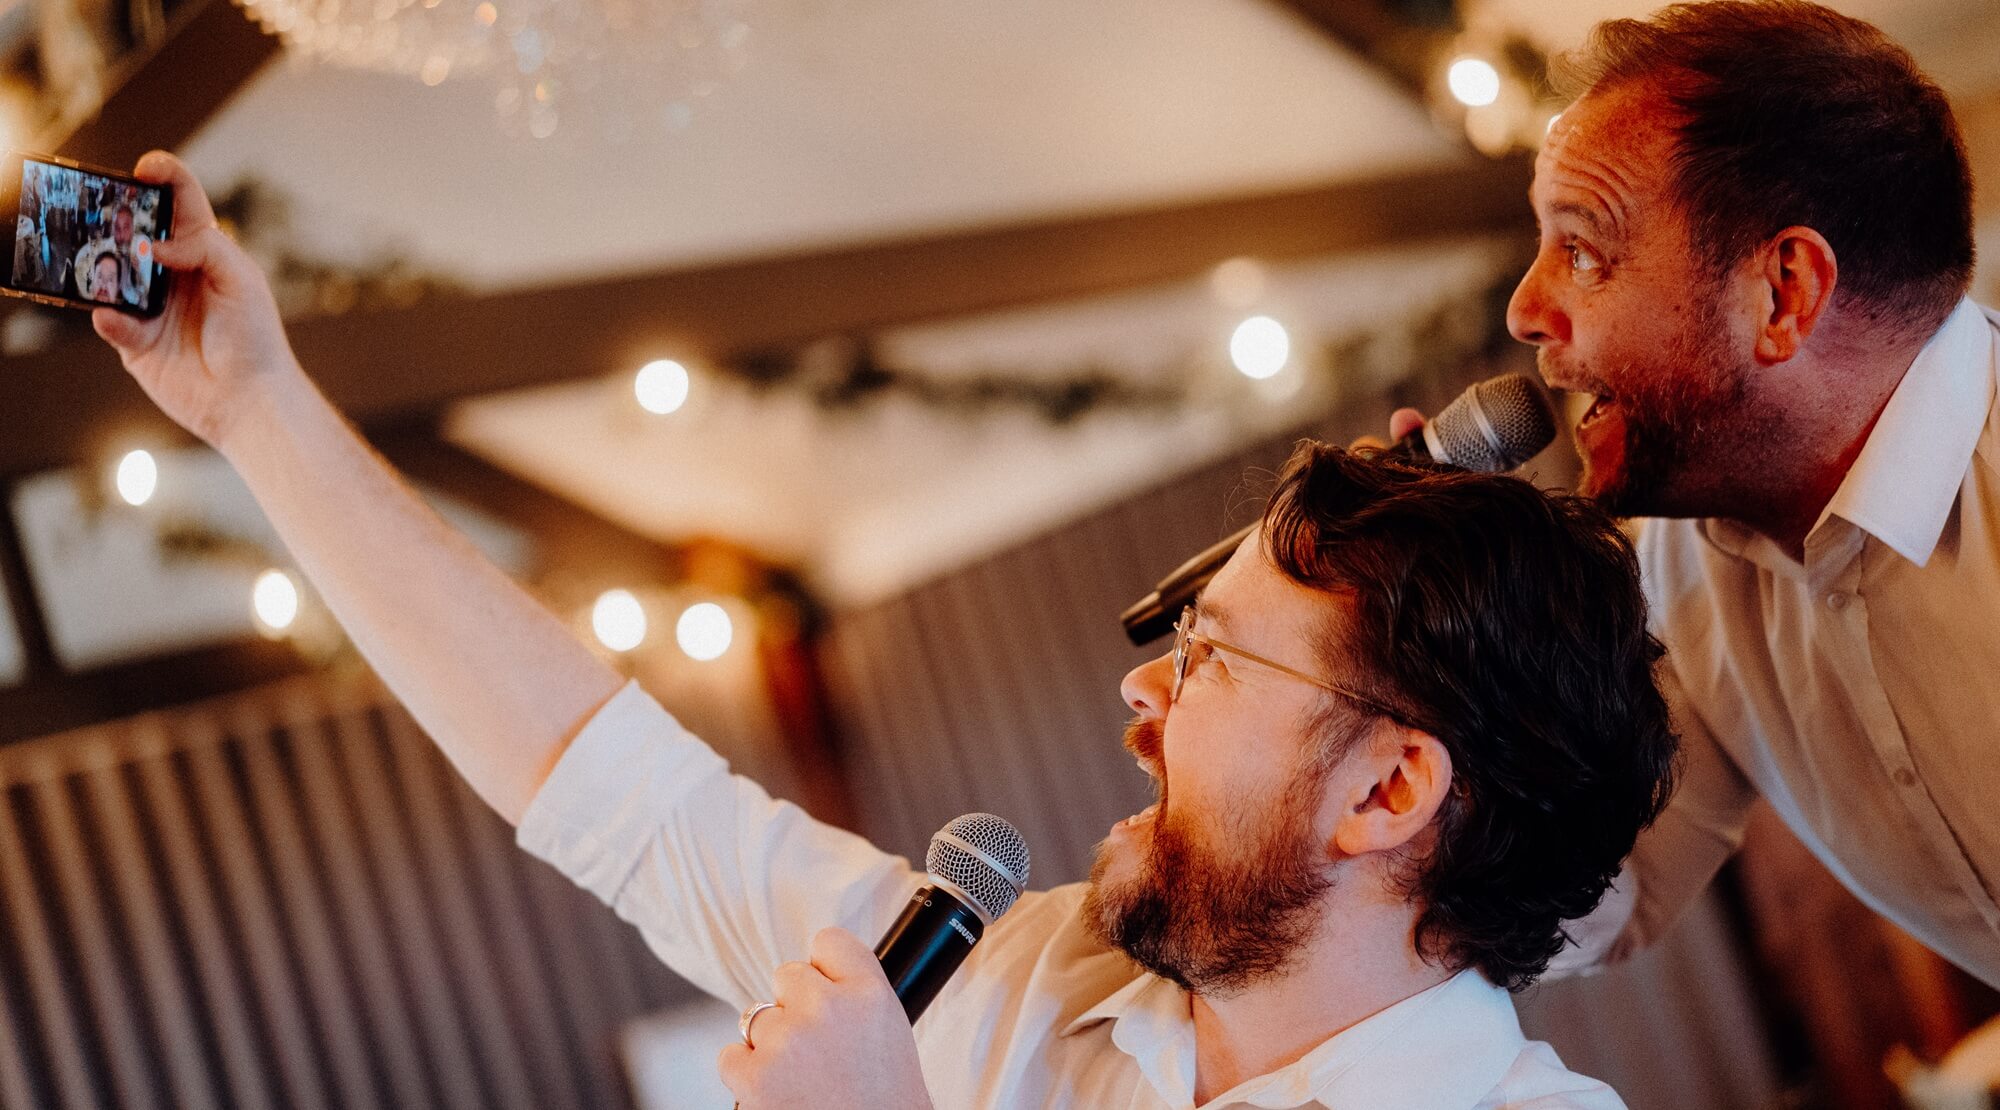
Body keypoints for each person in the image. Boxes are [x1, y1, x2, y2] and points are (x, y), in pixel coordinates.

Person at [95, 153, 1680, 1108]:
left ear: (1389, 789)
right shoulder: (1026, 972)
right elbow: (623, 797)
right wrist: (255, 409)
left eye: (1212, 657)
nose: (1143, 691)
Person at [1386, 0, 2000, 987]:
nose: (1525, 310)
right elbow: (1595, 897)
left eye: (1581, 250)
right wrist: (1433, 664)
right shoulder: (1683, 569)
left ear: (1783, 292)